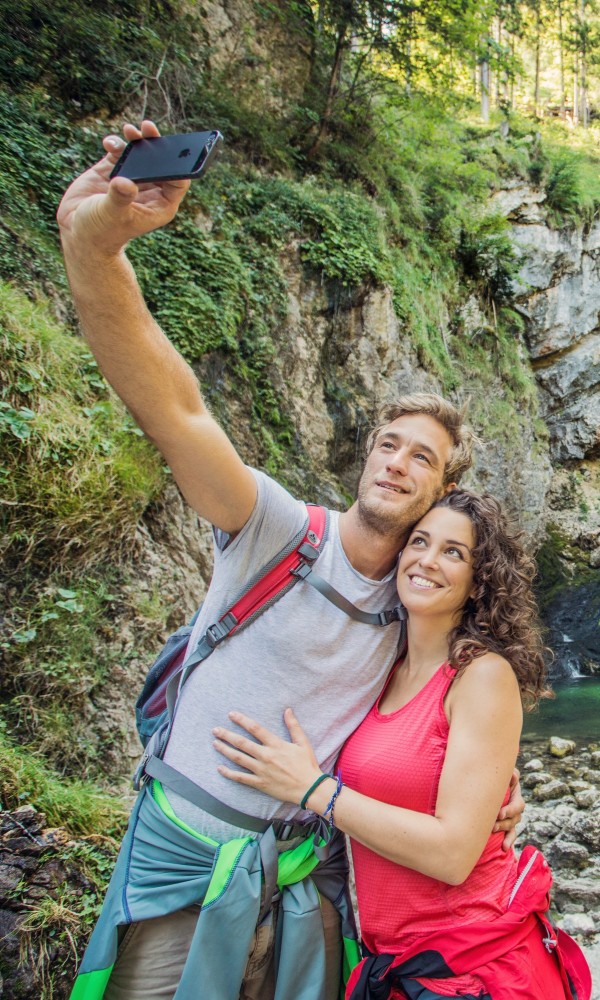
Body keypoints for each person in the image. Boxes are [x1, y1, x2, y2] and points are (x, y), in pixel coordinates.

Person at [58, 121, 524, 1000]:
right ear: (364, 456)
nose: (398, 463)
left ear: (442, 494)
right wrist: (95, 250)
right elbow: (176, 408)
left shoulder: (417, 608)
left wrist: (504, 788)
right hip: (179, 862)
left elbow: (448, 722)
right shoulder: (278, 528)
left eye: (423, 459)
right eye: (390, 444)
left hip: (305, 882)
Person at [213, 490, 592, 1000]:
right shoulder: (382, 669)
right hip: (395, 961)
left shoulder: (481, 676)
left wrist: (315, 790)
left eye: (454, 552)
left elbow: (454, 854)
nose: (428, 560)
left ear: (480, 580)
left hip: (472, 966)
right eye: (420, 541)